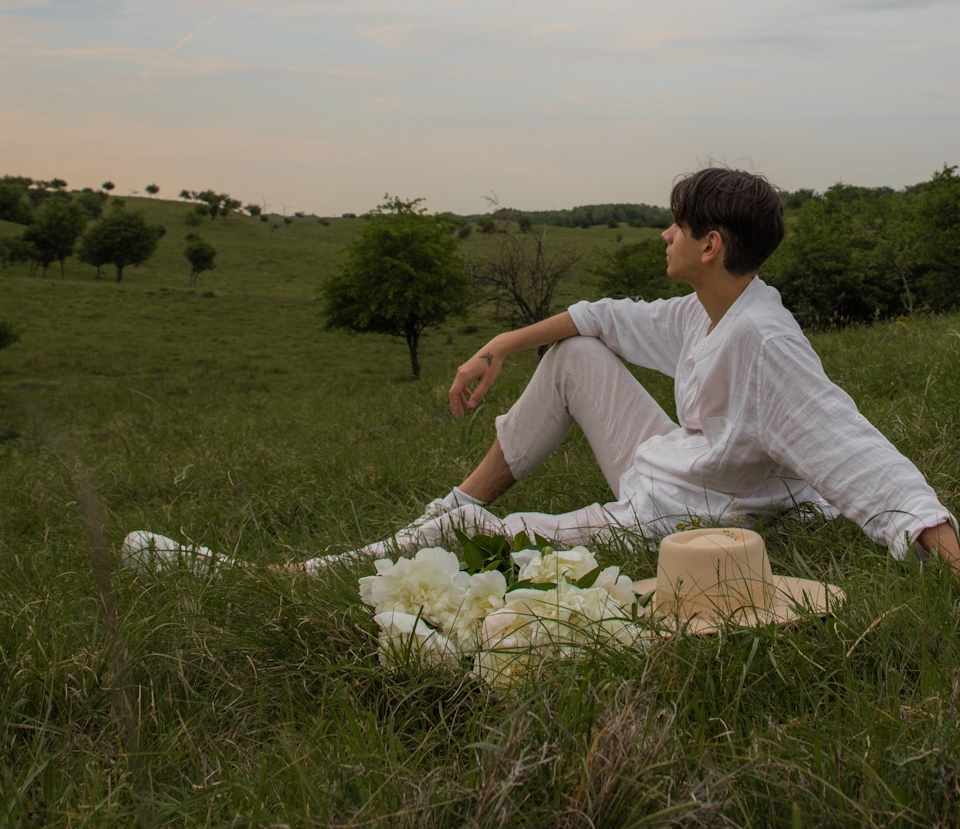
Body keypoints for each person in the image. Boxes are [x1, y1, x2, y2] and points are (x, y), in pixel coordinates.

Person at [122, 167, 960, 577]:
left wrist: (935, 536)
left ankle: (283, 576)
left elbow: (849, 443)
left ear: (710, 245)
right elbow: (603, 318)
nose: (663, 235)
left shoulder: (764, 340)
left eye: (676, 226)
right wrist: (499, 345)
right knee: (575, 354)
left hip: (682, 517)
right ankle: (457, 501)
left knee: (491, 540)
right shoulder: (709, 311)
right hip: (668, 467)